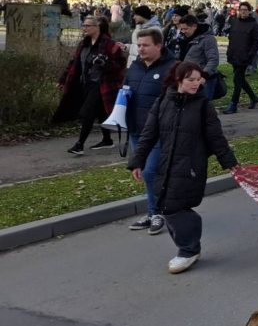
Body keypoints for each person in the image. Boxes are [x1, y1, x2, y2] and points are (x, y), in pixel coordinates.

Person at [128, 61, 238, 274]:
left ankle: (188, 250)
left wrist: (230, 163)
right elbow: (149, 134)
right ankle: (188, 245)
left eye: (198, 80)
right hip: (167, 163)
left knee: (173, 207)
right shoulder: (163, 102)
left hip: (191, 166)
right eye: (191, 80)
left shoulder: (203, 106)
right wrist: (137, 161)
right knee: (166, 205)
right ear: (179, 80)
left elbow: (216, 138)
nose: (196, 84)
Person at [124, 27, 176, 235]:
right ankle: (153, 212)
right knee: (144, 173)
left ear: (158, 46)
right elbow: (125, 89)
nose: (141, 49)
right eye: (139, 45)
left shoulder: (172, 68)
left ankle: (159, 213)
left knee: (150, 171)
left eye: (146, 45)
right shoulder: (134, 67)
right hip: (136, 130)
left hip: (158, 132)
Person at [57, 16, 127, 155]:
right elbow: (74, 63)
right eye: (84, 25)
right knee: (101, 113)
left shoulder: (110, 45)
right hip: (86, 83)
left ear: (97, 27)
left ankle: (79, 145)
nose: (85, 28)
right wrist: (63, 79)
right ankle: (107, 140)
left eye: (88, 25)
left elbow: (120, 65)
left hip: (102, 84)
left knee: (87, 113)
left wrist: (105, 64)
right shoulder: (84, 44)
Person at [223, 1, 258, 114]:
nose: (243, 12)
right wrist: (229, 52)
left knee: (237, 80)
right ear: (238, 11)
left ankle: (233, 104)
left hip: (244, 57)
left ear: (249, 11)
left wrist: (250, 55)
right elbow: (231, 38)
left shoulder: (253, 25)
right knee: (240, 79)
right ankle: (254, 98)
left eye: (245, 10)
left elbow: (257, 42)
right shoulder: (235, 22)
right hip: (234, 55)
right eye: (241, 10)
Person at [177, 14, 220, 100]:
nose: (183, 31)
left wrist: (204, 76)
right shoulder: (186, 38)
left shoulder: (208, 39)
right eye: (182, 29)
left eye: (186, 29)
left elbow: (213, 59)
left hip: (204, 80)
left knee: (202, 107)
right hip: (189, 77)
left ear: (194, 26)